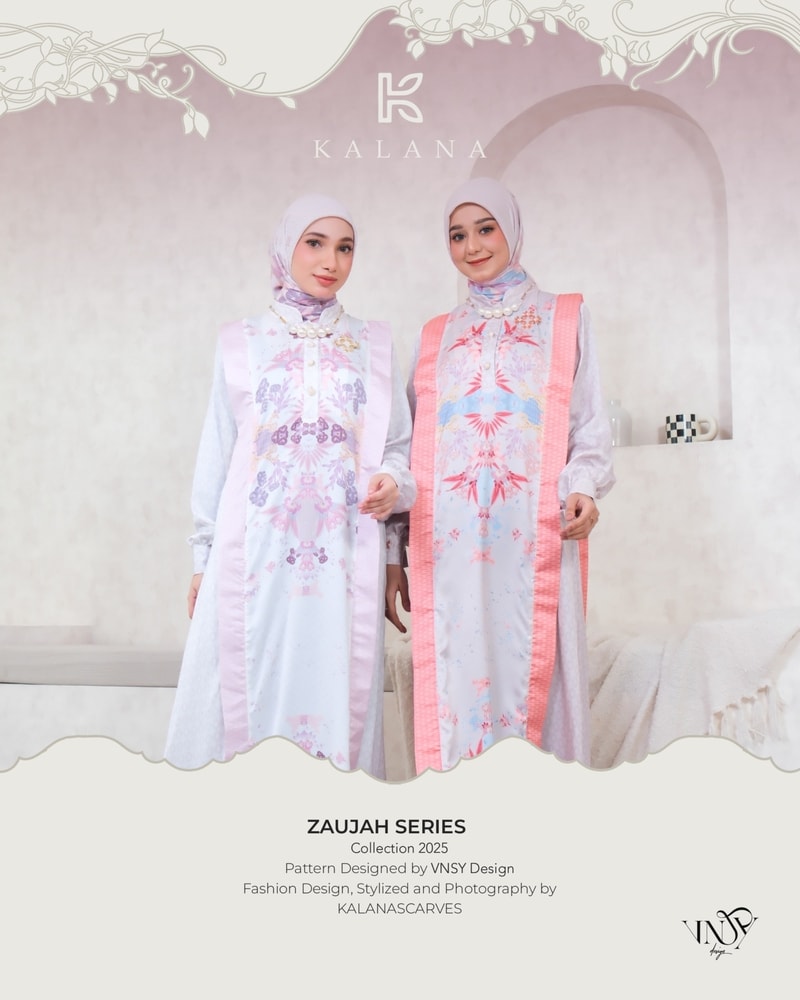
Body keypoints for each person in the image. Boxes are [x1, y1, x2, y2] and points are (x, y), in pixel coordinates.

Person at [165, 193, 416, 778]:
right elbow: (219, 452)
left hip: (343, 556)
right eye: (315, 243)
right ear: (286, 248)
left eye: (345, 248)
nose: (331, 261)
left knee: (334, 693)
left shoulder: (373, 345)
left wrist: (392, 503)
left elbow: (397, 448)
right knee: (245, 685)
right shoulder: (241, 341)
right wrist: (203, 558)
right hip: (253, 553)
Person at [386, 177, 614, 773]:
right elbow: (408, 451)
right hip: (451, 547)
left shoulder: (563, 317)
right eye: (457, 235)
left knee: (540, 672)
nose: (472, 247)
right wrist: (394, 552)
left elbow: (589, 425)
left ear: (511, 230)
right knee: (458, 680)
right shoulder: (436, 335)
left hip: (536, 537)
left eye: (485, 229)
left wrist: (583, 488)